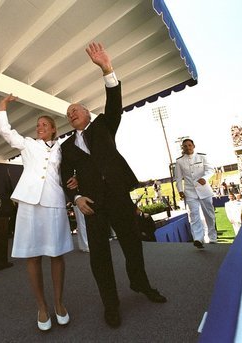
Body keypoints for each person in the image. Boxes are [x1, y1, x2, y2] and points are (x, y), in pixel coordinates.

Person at [60, 42, 167, 328]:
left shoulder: (105, 125)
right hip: (92, 206)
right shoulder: (67, 146)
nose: (71, 114)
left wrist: (107, 68)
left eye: (76, 110)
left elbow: (114, 102)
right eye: (68, 113)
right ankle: (111, 304)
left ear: (88, 114)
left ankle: (141, 285)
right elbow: (65, 176)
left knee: (133, 246)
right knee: (100, 258)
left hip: (118, 197)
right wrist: (76, 196)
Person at [0, 95, 77, 331]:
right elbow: (7, 132)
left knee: (56, 254)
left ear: (53, 129)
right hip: (29, 204)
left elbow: (71, 170)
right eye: (37, 125)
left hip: (54, 204)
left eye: (44, 125)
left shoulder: (63, 149)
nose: (39, 128)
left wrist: (75, 178)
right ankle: (42, 306)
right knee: (33, 256)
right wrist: (2, 107)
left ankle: (59, 303)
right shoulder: (28, 144)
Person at [174, 138, 218, 249]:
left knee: (209, 214)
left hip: (204, 189)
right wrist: (180, 190)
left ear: (193, 146)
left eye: (189, 145)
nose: (188, 147)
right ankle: (198, 238)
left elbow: (210, 170)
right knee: (194, 215)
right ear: (182, 148)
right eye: (185, 146)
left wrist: (205, 178)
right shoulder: (179, 161)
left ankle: (212, 237)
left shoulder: (202, 157)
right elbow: (178, 178)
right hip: (190, 191)